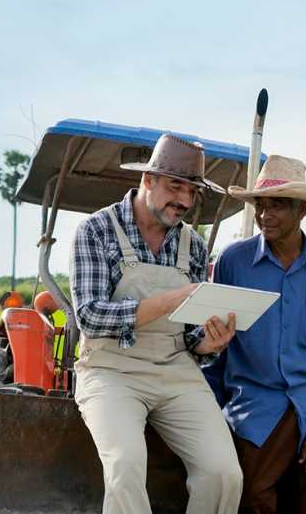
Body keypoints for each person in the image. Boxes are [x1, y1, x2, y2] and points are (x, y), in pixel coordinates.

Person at [70, 134, 243, 514]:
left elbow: (190, 334)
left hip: (176, 372)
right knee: (125, 465)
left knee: (224, 473)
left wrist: (208, 343)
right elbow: (91, 317)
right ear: (147, 180)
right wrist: (169, 300)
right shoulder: (95, 231)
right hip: (111, 371)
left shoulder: (193, 246)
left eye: (191, 191)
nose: (183, 200)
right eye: (174, 187)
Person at [203, 155, 306, 514]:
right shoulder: (233, 262)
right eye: (261, 205)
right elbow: (217, 348)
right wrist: (207, 414)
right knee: (255, 493)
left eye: (278, 205)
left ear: (302, 210)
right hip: (253, 403)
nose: (264, 215)